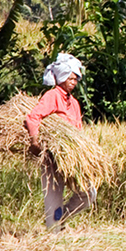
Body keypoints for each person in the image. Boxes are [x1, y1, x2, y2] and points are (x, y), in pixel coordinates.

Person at [25, 53, 96, 231]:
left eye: (76, 79)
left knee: (88, 193)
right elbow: (33, 117)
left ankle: (62, 217)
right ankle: (54, 235)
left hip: (71, 158)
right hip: (52, 158)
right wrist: (34, 142)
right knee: (53, 200)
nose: (74, 82)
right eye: (70, 78)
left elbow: (78, 131)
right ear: (62, 77)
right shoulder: (52, 96)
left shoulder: (74, 103)